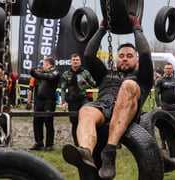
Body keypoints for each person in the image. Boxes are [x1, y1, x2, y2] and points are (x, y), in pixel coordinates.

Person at [62, 15, 153, 179]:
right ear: (116, 59)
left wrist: (137, 28)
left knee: (128, 86)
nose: (124, 58)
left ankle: (110, 152)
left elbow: (145, 53)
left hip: (128, 111)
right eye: (122, 56)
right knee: (86, 110)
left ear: (136, 61)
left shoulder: (142, 78)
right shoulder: (105, 75)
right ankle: (85, 154)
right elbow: (89, 55)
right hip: (103, 108)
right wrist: (102, 29)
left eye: (129, 56)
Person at [60, 53, 97, 146]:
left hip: (83, 99)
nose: (75, 62)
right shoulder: (66, 74)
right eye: (73, 60)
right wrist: (64, 102)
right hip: (72, 101)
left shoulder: (85, 73)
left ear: (80, 62)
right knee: (75, 124)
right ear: (71, 62)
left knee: (84, 121)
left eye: (77, 60)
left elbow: (94, 84)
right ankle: (77, 145)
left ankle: (85, 143)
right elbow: (63, 89)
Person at [29, 57, 60, 151]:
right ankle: (39, 143)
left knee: (48, 122)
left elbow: (49, 77)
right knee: (37, 122)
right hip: (39, 101)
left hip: (49, 102)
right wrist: (33, 71)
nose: (43, 66)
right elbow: (35, 75)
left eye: (44, 64)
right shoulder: (43, 74)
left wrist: (37, 73)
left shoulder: (55, 72)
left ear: (47, 63)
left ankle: (49, 144)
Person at [155, 62, 175, 149]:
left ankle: (174, 142)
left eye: (170, 68)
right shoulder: (160, 81)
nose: (169, 70)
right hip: (164, 105)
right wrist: (158, 105)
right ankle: (163, 142)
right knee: (163, 125)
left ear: (172, 70)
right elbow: (156, 94)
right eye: (167, 68)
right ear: (164, 70)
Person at [0, 62, 12, 140]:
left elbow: (8, 88)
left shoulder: (7, 79)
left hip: (3, 107)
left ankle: (7, 137)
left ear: (2, 70)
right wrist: (0, 87)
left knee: (4, 123)